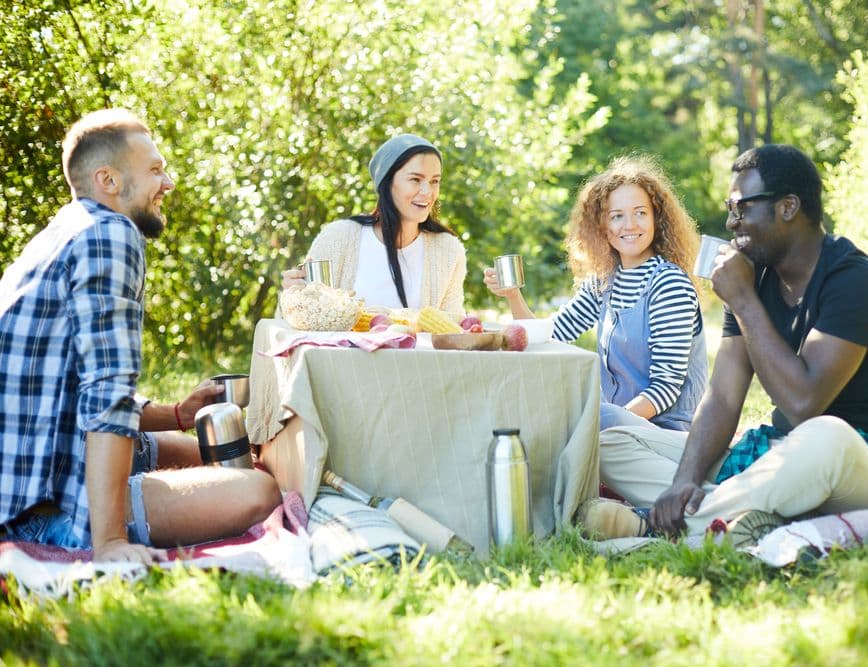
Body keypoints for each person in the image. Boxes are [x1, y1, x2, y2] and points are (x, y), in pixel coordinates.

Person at [577, 144, 868, 547]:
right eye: (730, 209)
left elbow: (804, 403)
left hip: (856, 461)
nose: (731, 223)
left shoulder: (854, 282)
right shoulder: (754, 279)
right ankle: (737, 517)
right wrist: (683, 481)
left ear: (787, 207)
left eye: (741, 208)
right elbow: (722, 399)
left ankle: (659, 526)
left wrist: (745, 301)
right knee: (610, 441)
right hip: (774, 457)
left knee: (826, 434)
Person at [0, 109, 281, 564]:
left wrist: (178, 413)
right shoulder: (110, 235)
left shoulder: (67, 228)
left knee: (234, 456)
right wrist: (110, 542)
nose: (167, 183)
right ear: (108, 179)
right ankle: (98, 530)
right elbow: (105, 395)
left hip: (52, 460)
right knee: (260, 489)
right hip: (40, 506)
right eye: (154, 170)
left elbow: (74, 386)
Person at [485, 155, 708, 431]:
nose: (630, 225)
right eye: (617, 216)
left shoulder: (668, 285)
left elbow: (666, 387)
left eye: (640, 212)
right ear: (601, 226)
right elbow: (548, 336)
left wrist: (605, 425)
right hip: (619, 425)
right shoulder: (605, 281)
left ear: (656, 219)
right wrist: (512, 295)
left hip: (667, 431)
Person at [281, 134, 467, 315]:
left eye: (435, 181)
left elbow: (454, 327)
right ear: (387, 183)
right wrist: (293, 297)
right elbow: (302, 319)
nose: (427, 191)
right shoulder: (339, 238)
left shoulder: (448, 250)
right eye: (415, 180)